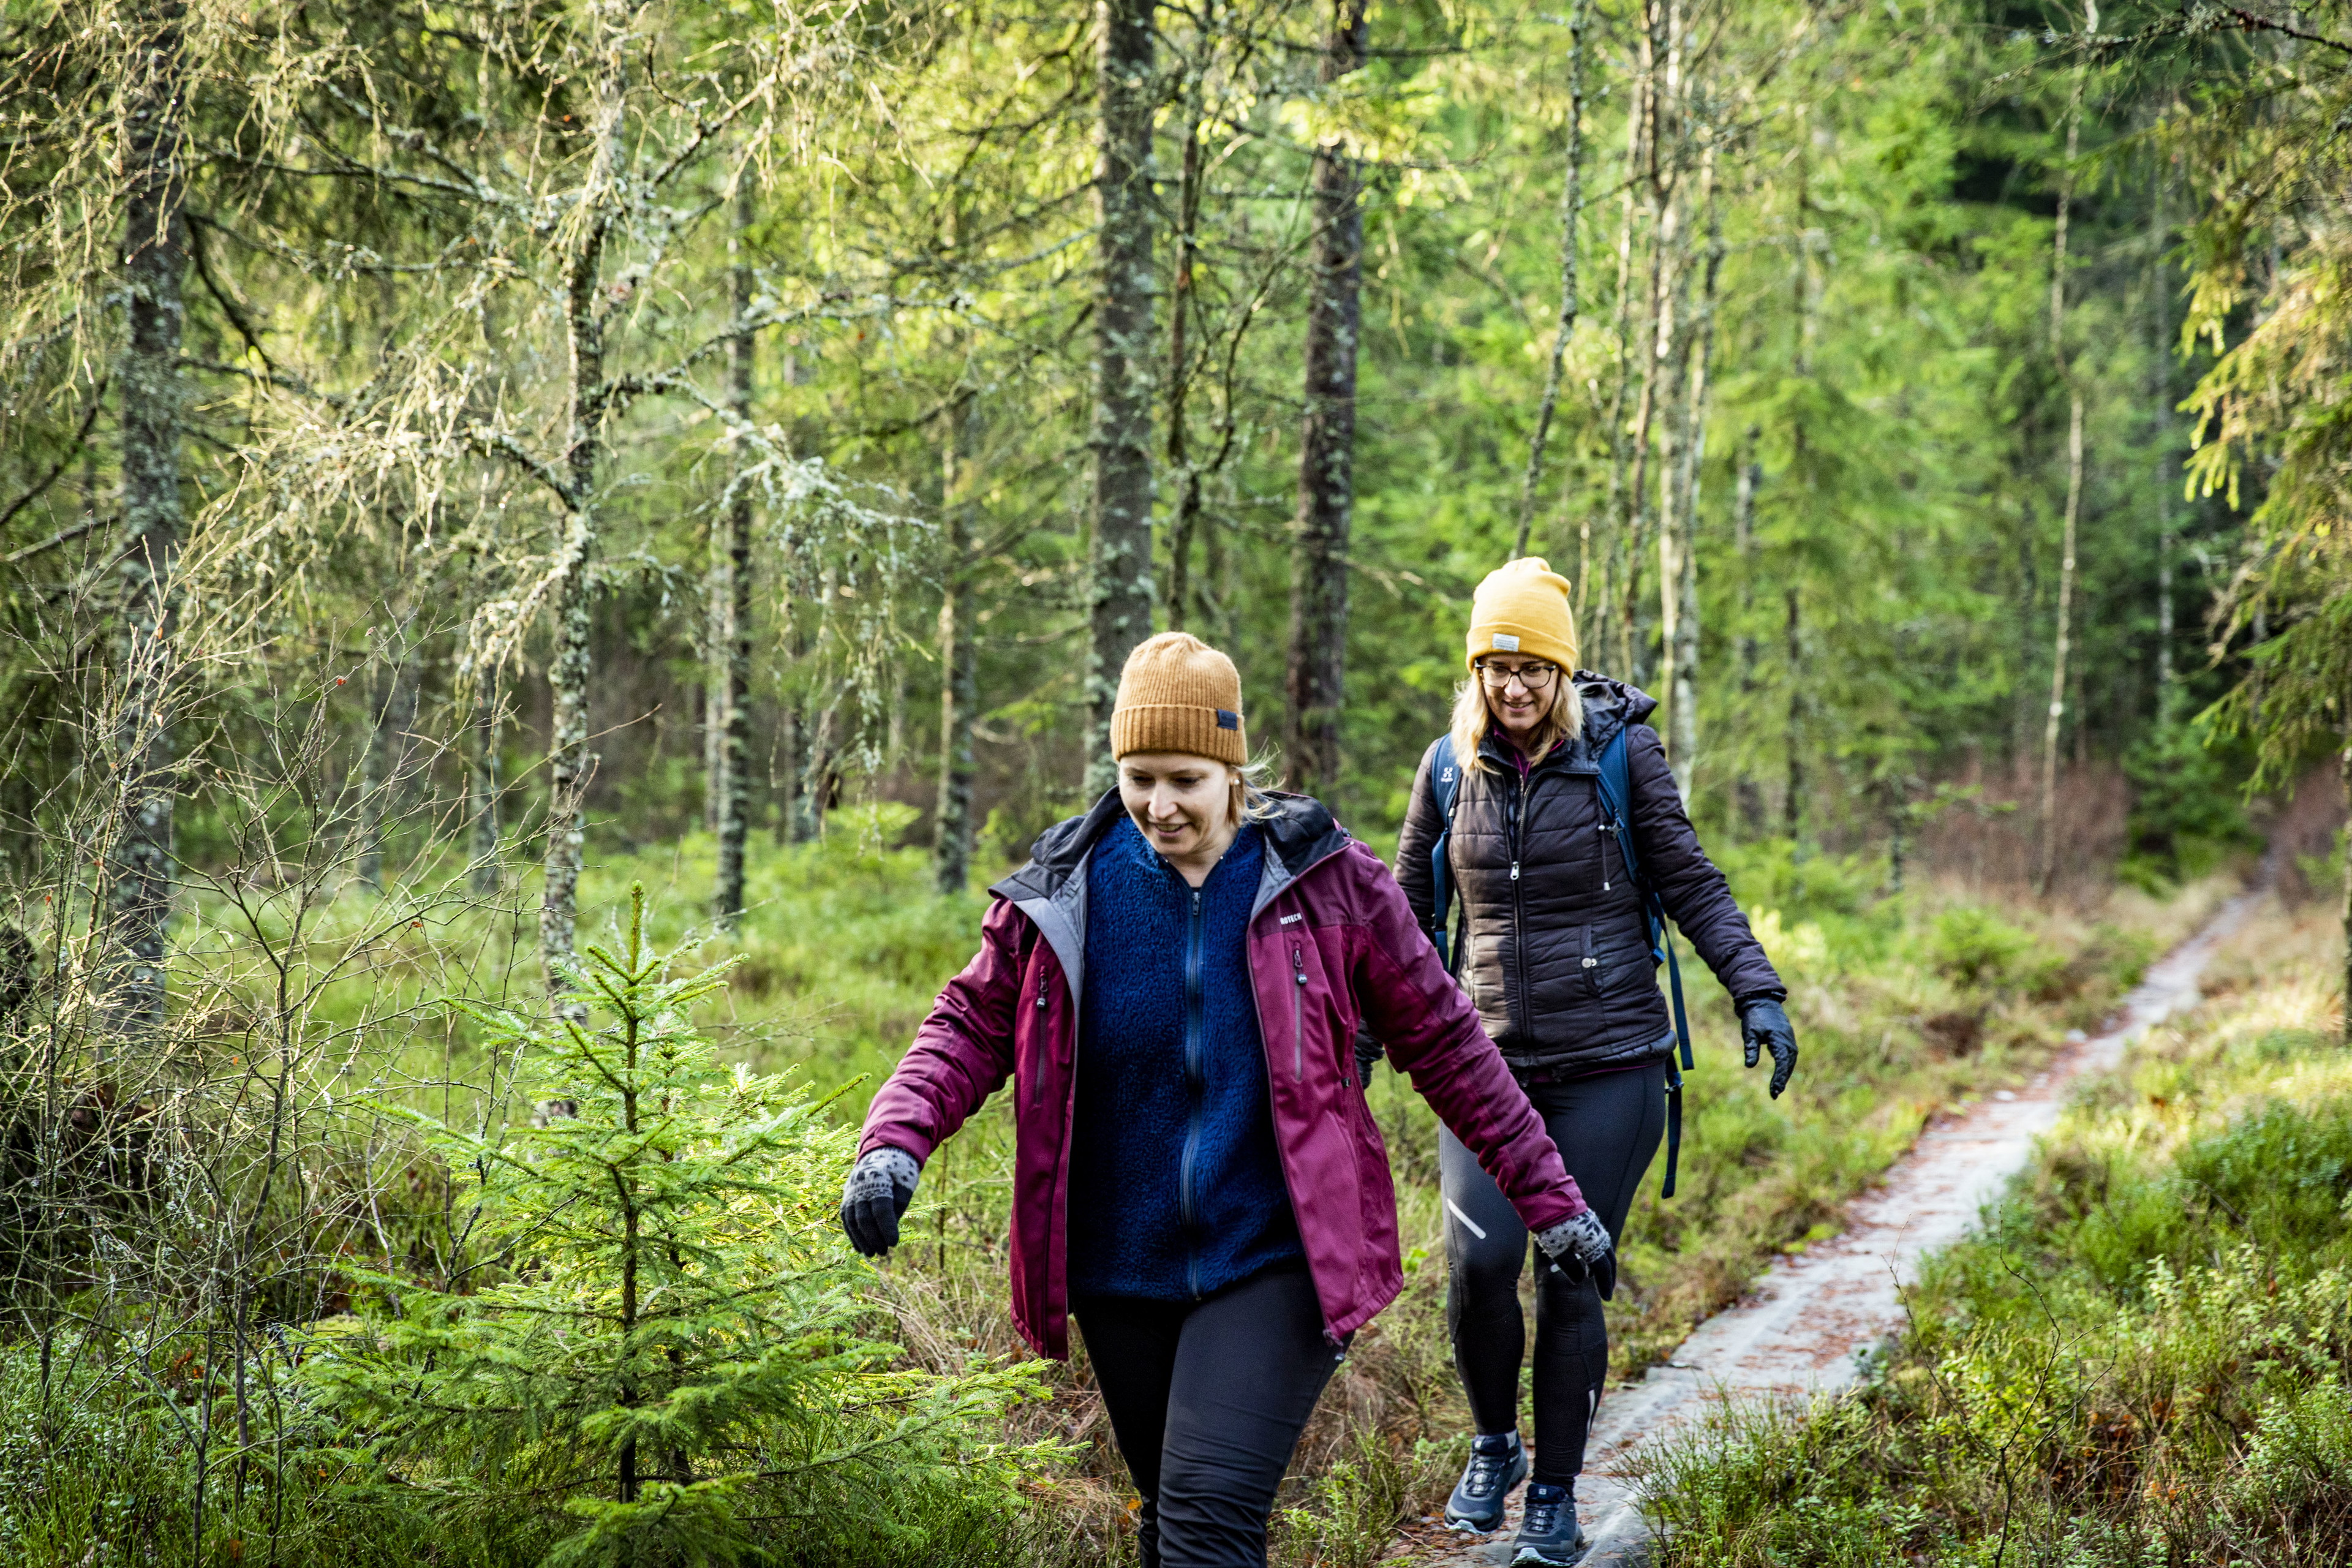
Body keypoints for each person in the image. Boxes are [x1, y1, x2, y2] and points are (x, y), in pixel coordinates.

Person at [839, 631, 1610, 1568]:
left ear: (1233, 771)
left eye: (1186, 781)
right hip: (1119, 1266)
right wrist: (895, 1142)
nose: (1159, 807)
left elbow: (1448, 1042)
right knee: (1170, 1522)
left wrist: (1550, 1200)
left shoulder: (1327, 880)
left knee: (1205, 1522)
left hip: (1276, 1255)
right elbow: (968, 1024)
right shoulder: (1067, 891)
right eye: (1138, 779)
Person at [1392, 559, 1798, 1564]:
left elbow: (1690, 879)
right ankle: (1495, 1444)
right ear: (1477, 672)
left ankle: (1556, 1496)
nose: (1515, 688)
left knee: (1570, 1275)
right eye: (1497, 669)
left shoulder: (1622, 755)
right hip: (1481, 1071)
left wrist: (1756, 989)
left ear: (1562, 672)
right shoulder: (1447, 767)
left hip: (1610, 1063)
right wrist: (1354, 1043)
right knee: (1481, 1265)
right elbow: (1399, 920)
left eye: (1533, 669)